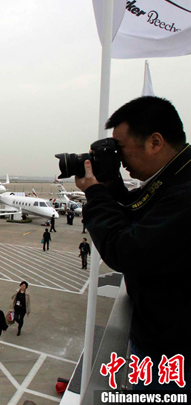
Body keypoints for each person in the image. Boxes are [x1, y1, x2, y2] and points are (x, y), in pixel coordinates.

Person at [75, 96, 191, 390]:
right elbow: (140, 213)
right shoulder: (173, 178)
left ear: (155, 142)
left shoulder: (185, 191)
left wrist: (96, 195)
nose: (119, 159)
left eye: (120, 148)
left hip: (174, 354)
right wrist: (111, 186)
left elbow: (126, 248)